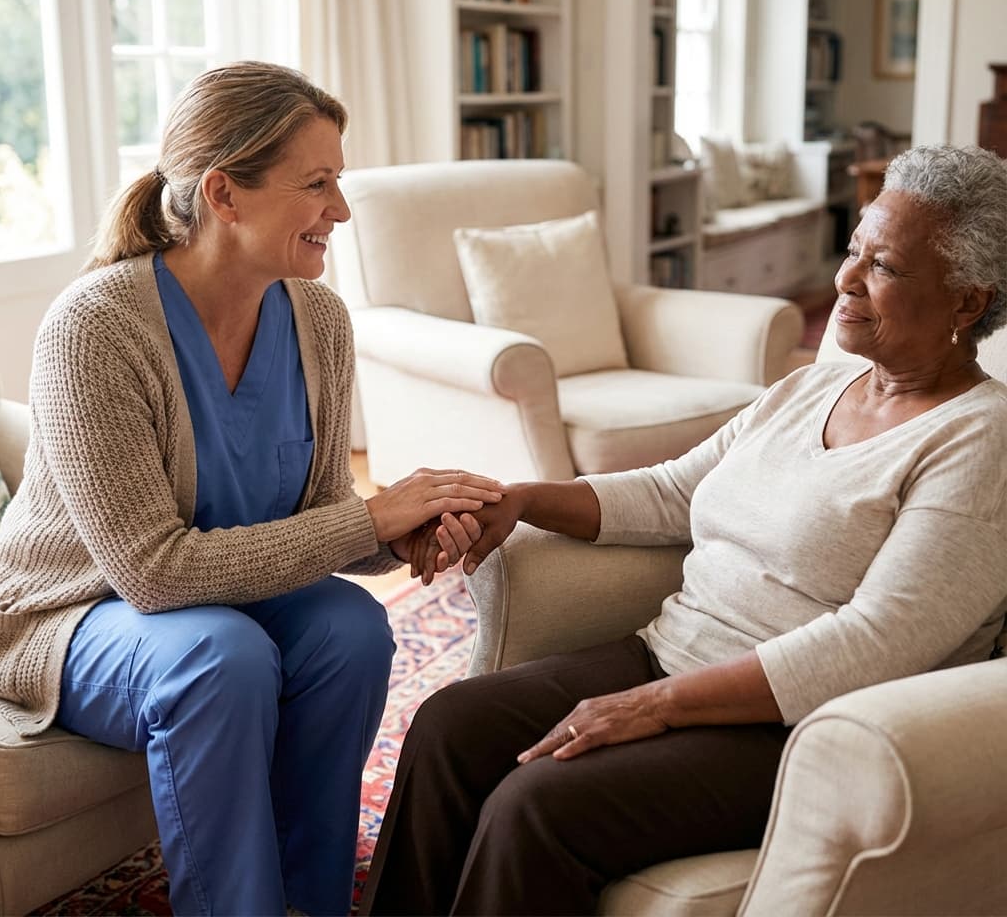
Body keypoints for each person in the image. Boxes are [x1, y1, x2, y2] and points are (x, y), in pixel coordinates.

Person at [361, 143, 1007, 916]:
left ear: (968, 303)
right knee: (449, 727)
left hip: (799, 728)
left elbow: (879, 641)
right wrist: (525, 498)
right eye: (852, 250)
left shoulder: (979, 439)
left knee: (537, 804)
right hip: (669, 655)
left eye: (885, 266)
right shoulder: (812, 386)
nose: (845, 279)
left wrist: (654, 706)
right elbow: (673, 492)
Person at [0, 61, 503, 917]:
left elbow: (319, 519)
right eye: (318, 184)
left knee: (350, 630)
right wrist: (367, 518)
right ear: (225, 194)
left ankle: (312, 898)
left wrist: (401, 531)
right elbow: (151, 573)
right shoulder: (94, 328)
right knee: (219, 660)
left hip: (226, 596)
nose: (340, 210)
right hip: (72, 611)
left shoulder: (318, 318)